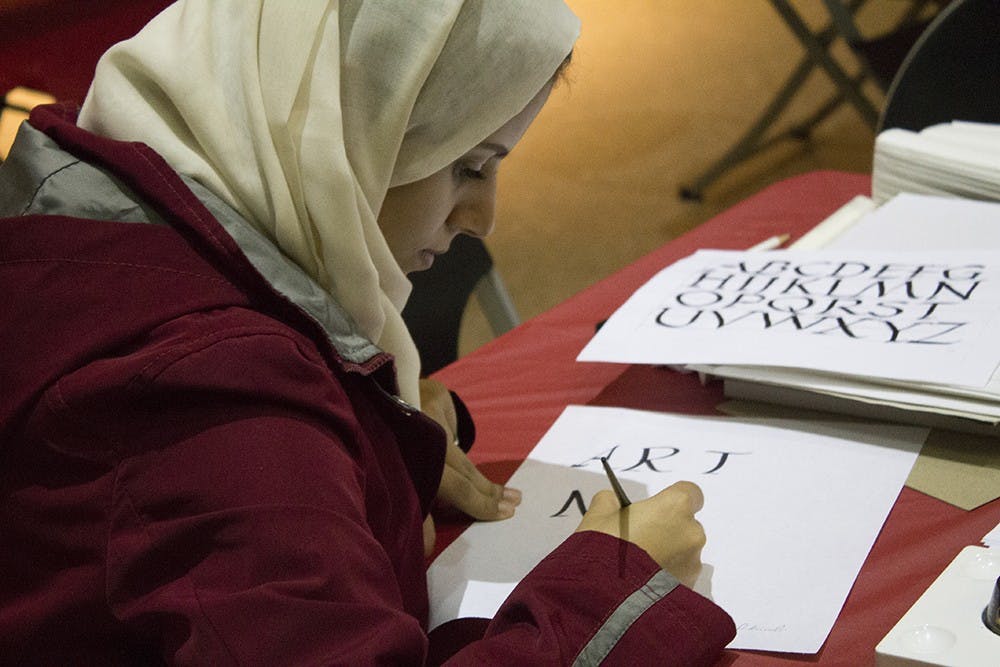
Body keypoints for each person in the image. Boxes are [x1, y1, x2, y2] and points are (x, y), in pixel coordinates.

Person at [0, 1, 736, 663]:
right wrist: (612, 596)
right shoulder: (214, 401)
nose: (483, 218)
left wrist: (365, 443)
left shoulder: (116, 198)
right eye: (469, 167)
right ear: (337, 129)